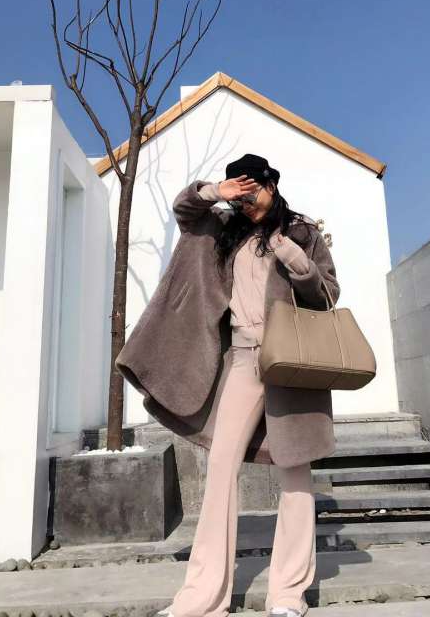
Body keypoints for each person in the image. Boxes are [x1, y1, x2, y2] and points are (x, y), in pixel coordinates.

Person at [154, 153, 339, 617]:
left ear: (271, 186)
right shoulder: (225, 228)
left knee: (294, 472)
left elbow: (327, 295)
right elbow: (184, 210)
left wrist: (292, 256)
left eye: (252, 191)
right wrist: (216, 192)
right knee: (221, 466)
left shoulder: (302, 232)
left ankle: (288, 593)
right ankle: (201, 597)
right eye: (239, 194)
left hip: (290, 361)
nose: (246, 201)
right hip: (242, 357)